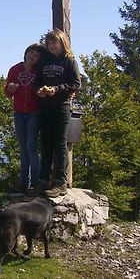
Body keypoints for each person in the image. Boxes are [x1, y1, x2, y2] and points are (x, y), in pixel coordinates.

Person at [32, 29, 81, 198]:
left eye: (55, 42)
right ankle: (43, 180)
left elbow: (75, 83)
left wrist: (57, 89)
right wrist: (39, 90)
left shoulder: (70, 61)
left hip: (61, 106)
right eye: (49, 42)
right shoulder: (44, 61)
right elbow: (37, 81)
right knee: (46, 144)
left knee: (59, 144)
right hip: (45, 106)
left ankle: (60, 182)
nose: (52, 45)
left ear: (62, 43)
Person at [5, 43, 45, 194]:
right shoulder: (15, 69)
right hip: (19, 113)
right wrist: (10, 89)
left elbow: (42, 89)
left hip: (34, 112)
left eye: (36, 55)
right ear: (26, 53)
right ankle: (23, 182)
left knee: (31, 148)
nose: (32, 57)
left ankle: (36, 183)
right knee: (23, 148)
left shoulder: (38, 71)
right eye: (31, 53)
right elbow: (8, 92)